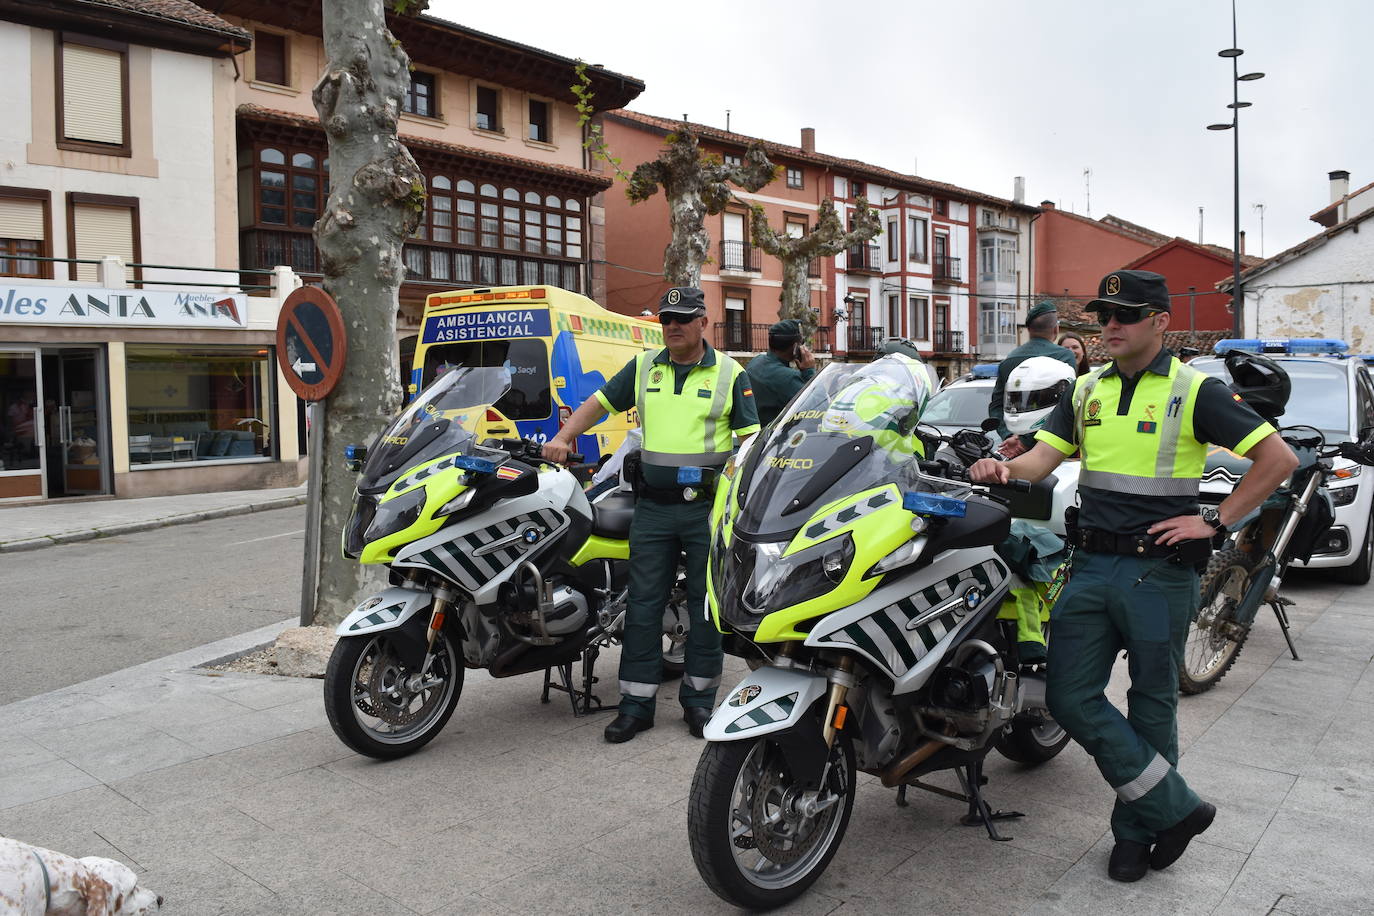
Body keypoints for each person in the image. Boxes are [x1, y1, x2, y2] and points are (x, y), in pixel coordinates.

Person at [969, 270, 1297, 883]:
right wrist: (1004, 469)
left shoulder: (1194, 390)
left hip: (1160, 573)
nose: (1110, 327)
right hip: (1091, 565)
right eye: (1103, 316)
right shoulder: (1087, 388)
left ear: (1160, 322)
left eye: (1125, 316)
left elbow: (1277, 459)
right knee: (1067, 696)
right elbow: (1045, 455)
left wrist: (1217, 522)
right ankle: (1176, 809)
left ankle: (1133, 836)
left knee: (1151, 707)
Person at [544, 286, 760, 743]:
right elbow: (598, 403)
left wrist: (734, 491)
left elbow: (749, 442)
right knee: (641, 607)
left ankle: (700, 703)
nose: (673, 326)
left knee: (705, 607)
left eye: (683, 318)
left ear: (704, 320)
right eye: (666, 319)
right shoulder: (644, 366)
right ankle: (635, 706)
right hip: (654, 510)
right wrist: (564, 437)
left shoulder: (730, 373)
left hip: (705, 512)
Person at [991, 302, 1076, 458]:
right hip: (1052, 448)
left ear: (1029, 329)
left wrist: (1009, 437)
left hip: (1014, 449)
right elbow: (1064, 406)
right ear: (1056, 329)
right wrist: (1025, 441)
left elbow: (996, 406)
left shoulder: (1009, 360)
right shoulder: (1064, 357)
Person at [745, 318, 815, 425]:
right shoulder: (788, 378)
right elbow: (817, 406)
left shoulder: (755, 362)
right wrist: (809, 371)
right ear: (796, 347)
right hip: (775, 437)